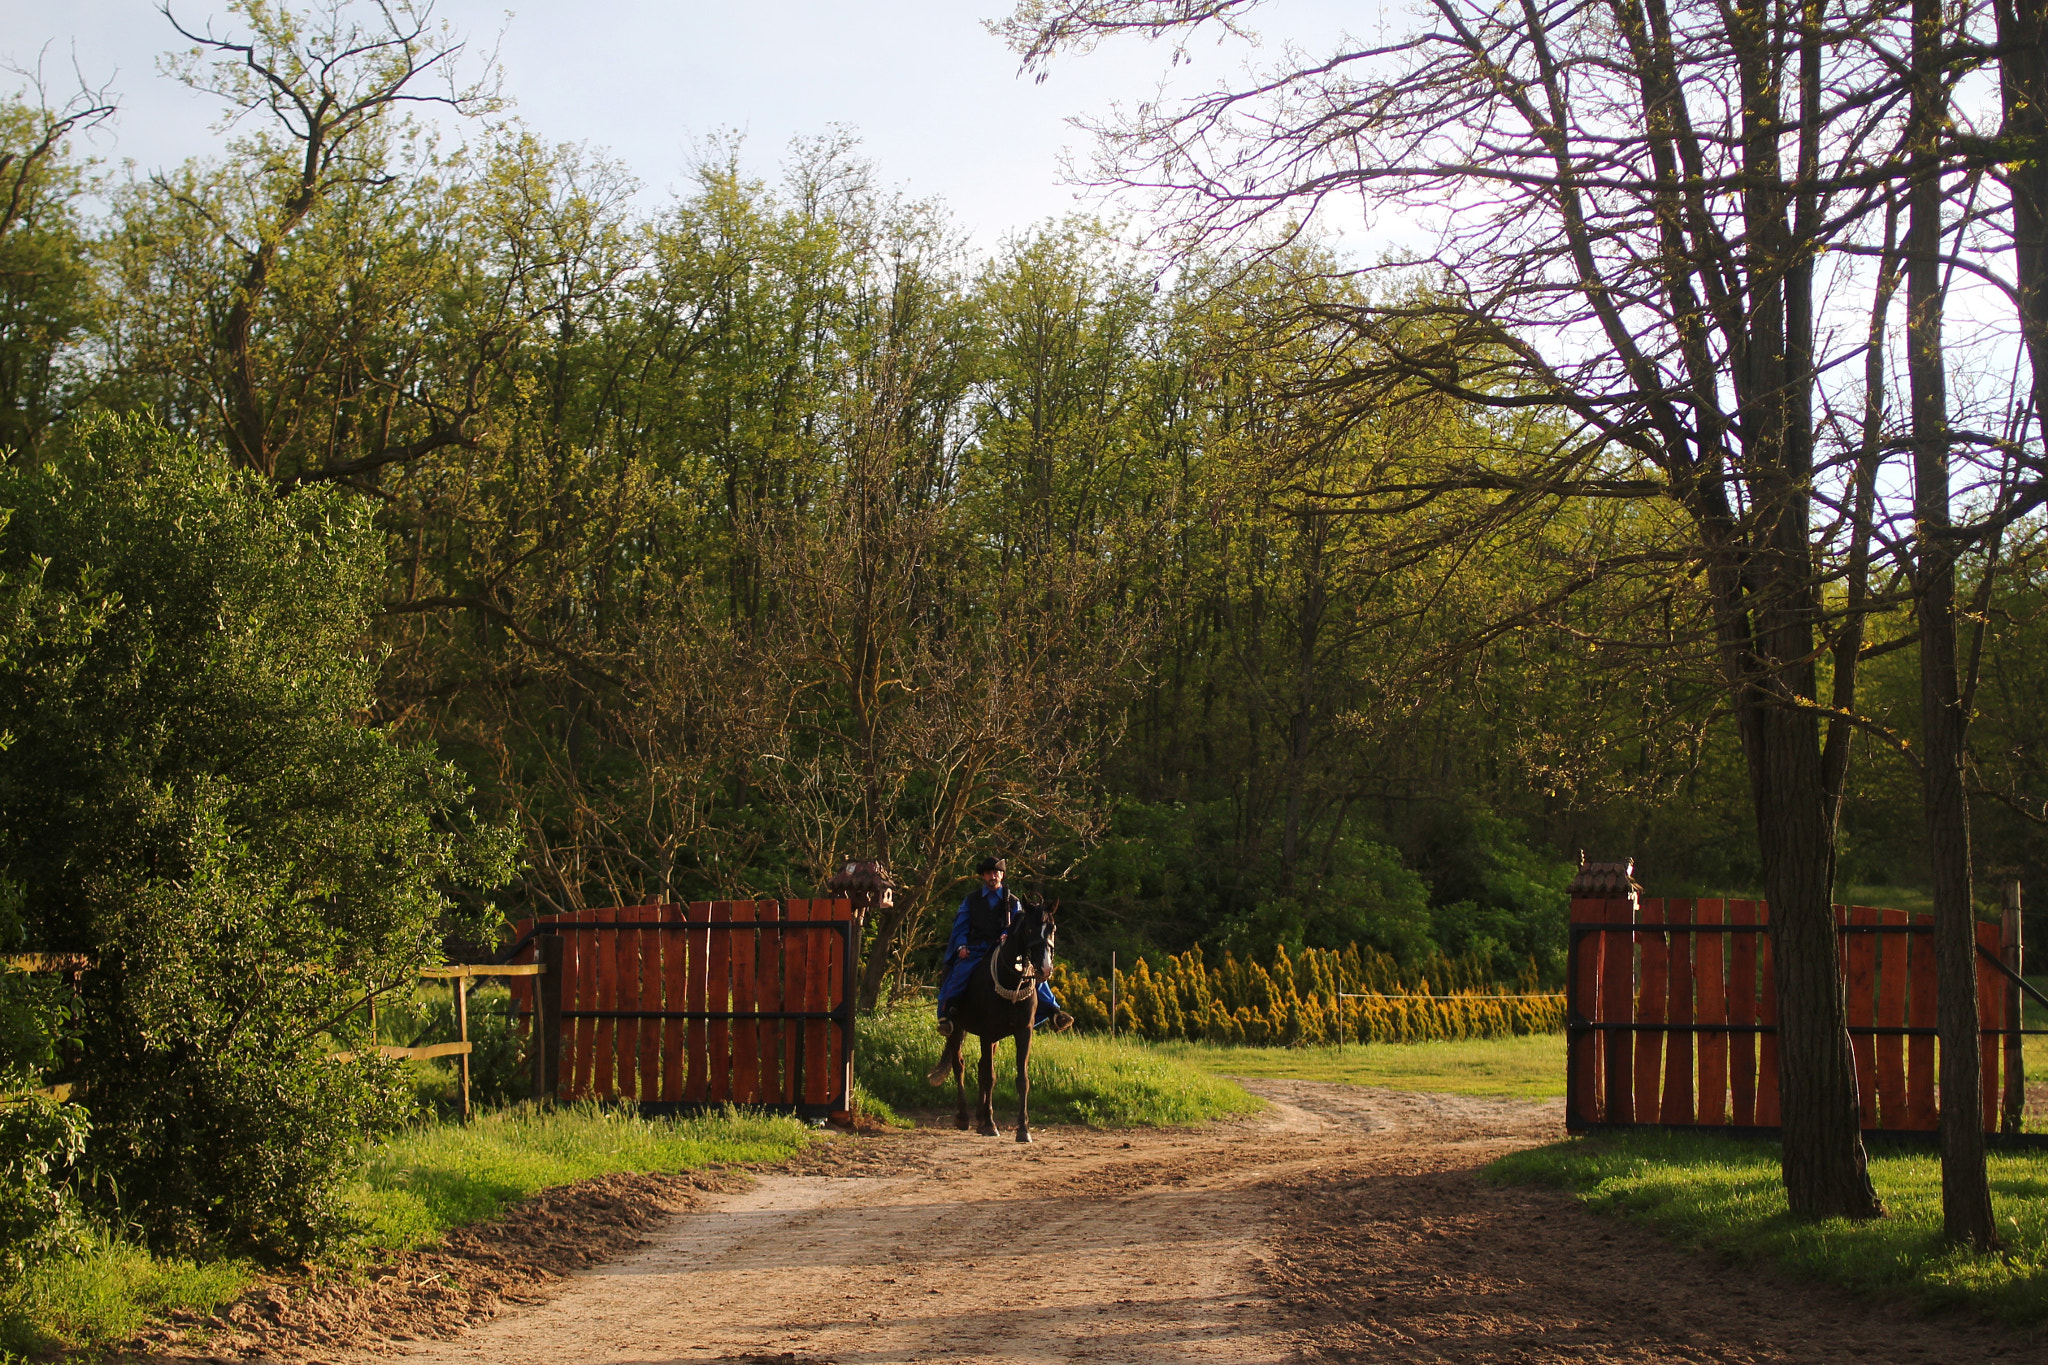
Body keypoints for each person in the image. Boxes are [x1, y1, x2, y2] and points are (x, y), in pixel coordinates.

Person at [935, 856, 1067, 1032]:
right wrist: (961, 946)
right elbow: (961, 926)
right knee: (959, 973)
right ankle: (948, 1014)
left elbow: (1018, 925)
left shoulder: (1013, 902)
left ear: (1002, 875)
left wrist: (1006, 934)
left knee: (1032, 973)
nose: (992, 877)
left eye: (996, 873)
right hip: (976, 949)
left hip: (1004, 949)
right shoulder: (971, 900)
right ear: (983, 876)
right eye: (989, 873)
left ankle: (1054, 1011)